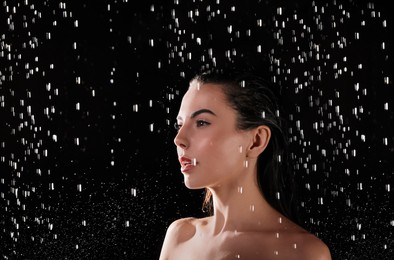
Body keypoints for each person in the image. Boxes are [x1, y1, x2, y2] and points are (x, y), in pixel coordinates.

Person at [159, 69, 331, 259]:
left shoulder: (301, 252)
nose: (179, 139)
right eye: (180, 124)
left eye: (201, 123)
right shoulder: (180, 237)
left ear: (256, 140)